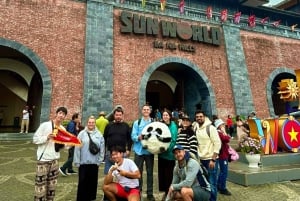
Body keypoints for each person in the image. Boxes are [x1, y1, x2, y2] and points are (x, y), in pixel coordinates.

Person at [32, 106, 68, 201]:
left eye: (63, 114)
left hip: (55, 160)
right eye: (60, 113)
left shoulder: (63, 129)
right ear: (56, 114)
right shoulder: (45, 125)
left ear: (65, 117)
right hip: (43, 160)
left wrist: (68, 144)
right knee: (40, 187)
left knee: (52, 188)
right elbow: (35, 139)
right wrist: (47, 137)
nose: (61, 115)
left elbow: (63, 146)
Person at [102, 107, 132, 201]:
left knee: (121, 176)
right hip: (110, 155)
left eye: (120, 115)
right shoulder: (109, 125)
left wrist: (129, 150)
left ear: (122, 115)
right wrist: (105, 152)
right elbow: (104, 138)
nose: (118, 117)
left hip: (121, 155)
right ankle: (107, 196)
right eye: (116, 115)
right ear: (114, 116)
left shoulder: (126, 126)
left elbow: (129, 139)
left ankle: (120, 195)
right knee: (108, 175)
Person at [73, 116, 105, 201]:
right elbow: (77, 148)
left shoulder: (99, 135)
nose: (91, 124)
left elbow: (102, 148)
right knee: (82, 183)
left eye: (93, 122)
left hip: (94, 163)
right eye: (89, 122)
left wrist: (100, 160)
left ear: (95, 123)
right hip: (83, 163)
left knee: (92, 183)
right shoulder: (81, 134)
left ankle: (91, 198)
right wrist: (77, 161)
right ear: (87, 123)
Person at [192, 110, 221, 201]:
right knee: (205, 182)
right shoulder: (196, 127)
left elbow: (217, 143)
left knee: (212, 183)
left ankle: (212, 199)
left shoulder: (211, 128)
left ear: (204, 117)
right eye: (197, 117)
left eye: (200, 116)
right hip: (201, 159)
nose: (199, 118)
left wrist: (213, 159)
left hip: (210, 159)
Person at [131, 104, 155, 201]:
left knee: (150, 173)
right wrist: (138, 137)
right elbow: (133, 136)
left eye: (147, 109)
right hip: (139, 151)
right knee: (138, 173)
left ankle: (150, 193)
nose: (145, 111)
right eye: (144, 109)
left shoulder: (153, 122)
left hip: (149, 151)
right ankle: (138, 191)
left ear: (150, 111)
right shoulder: (137, 122)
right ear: (142, 111)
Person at [158, 109, 178, 200]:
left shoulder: (173, 126)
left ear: (170, 116)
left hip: (169, 155)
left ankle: (169, 192)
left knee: (169, 175)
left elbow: (173, 140)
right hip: (161, 154)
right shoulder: (161, 125)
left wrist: (166, 149)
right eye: (163, 115)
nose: (165, 117)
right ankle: (165, 192)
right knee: (162, 174)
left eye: (167, 115)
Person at [214, 119, 232, 196]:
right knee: (224, 172)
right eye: (222, 125)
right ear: (219, 126)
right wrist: (224, 132)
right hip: (222, 155)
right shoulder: (219, 133)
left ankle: (219, 186)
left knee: (222, 171)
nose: (224, 126)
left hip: (223, 154)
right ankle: (222, 188)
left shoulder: (219, 133)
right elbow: (227, 139)